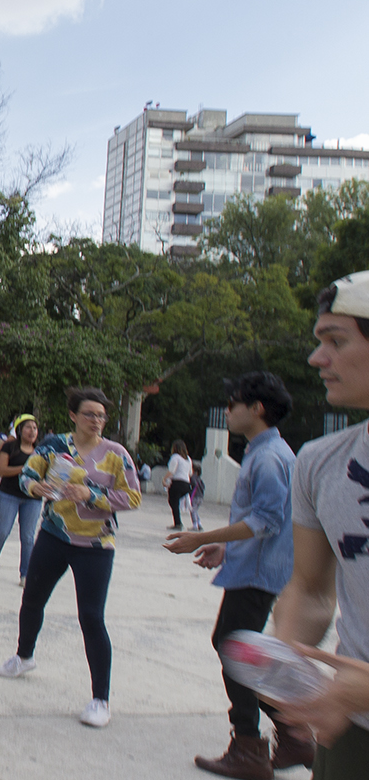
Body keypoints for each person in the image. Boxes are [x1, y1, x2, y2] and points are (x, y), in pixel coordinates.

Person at [162, 371, 307, 778]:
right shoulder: (265, 452)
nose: (227, 411)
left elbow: (266, 521)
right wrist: (225, 548)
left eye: (233, 404)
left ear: (256, 409)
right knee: (237, 651)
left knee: (235, 652)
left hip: (259, 575)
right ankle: (291, 734)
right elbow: (263, 523)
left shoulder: (270, 457)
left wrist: (199, 537)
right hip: (254, 568)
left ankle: (253, 745)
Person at [0, 387, 142, 729]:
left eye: (101, 415)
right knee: (32, 599)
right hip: (55, 535)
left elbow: (132, 497)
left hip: (95, 545)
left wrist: (92, 494)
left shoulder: (116, 454)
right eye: (89, 414)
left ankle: (100, 699)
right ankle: (23, 656)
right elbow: (29, 473)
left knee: (91, 617)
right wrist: (35, 488)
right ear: (73, 415)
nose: (96, 421)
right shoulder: (54, 445)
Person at [270, 270, 369, 780]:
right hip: (349, 730)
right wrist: (285, 656)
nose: (317, 359)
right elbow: (310, 589)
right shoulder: (319, 461)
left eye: (336, 341)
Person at [0, 414, 44, 587]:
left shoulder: (41, 451)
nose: (32, 431)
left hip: (33, 498)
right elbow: (2, 470)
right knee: (2, 530)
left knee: (28, 537)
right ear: (20, 430)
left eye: (35, 428)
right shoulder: (9, 447)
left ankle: (25, 575)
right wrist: (24, 468)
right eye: (28, 427)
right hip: (9, 495)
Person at [167, 439, 194, 531]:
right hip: (186, 484)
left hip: (177, 483)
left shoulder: (175, 457)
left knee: (172, 501)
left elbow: (171, 471)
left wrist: (164, 479)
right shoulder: (188, 459)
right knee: (175, 502)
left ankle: (178, 523)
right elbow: (190, 473)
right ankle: (178, 522)